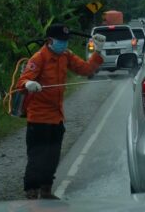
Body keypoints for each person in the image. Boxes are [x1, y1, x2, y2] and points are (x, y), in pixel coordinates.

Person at [16, 23, 106, 199]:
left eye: (66, 41)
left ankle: (46, 190)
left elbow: (86, 69)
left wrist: (98, 51)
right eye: (61, 41)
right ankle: (31, 192)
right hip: (38, 118)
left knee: (53, 156)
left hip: (57, 117)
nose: (64, 44)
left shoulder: (66, 55)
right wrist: (29, 84)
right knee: (37, 157)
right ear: (50, 41)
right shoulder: (38, 58)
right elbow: (22, 82)